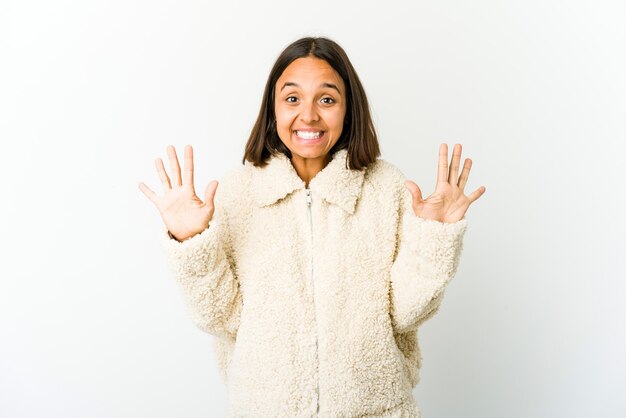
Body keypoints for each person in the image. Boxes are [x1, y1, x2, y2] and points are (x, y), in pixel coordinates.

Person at [138, 36, 485, 417]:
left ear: (348, 110)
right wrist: (191, 242)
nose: (308, 116)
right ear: (273, 109)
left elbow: (406, 313)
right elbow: (221, 317)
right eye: (292, 98)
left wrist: (433, 238)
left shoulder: (386, 188)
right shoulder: (238, 191)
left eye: (327, 99)